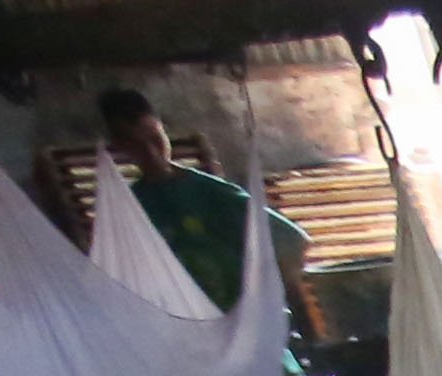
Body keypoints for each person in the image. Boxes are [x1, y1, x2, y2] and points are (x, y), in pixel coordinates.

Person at [92, 86, 316, 336]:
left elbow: (292, 242)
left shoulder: (210, 193)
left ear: (164, 130)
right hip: (184, 334)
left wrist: (263, 303)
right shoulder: (132, 209)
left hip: (240, 325)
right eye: (137, 146)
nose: (153, 154)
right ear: (120, 148)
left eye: (156, 140)